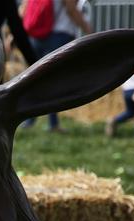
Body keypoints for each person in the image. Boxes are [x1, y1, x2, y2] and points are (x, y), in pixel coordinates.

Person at [24, 0, 92, 131]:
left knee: (34, 79)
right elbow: (71, 9)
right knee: (53, 80)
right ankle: (53, 124)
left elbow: (25, 8)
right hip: (58, 35)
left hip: (37, 35)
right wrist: (88, 29)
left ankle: (29, 120)